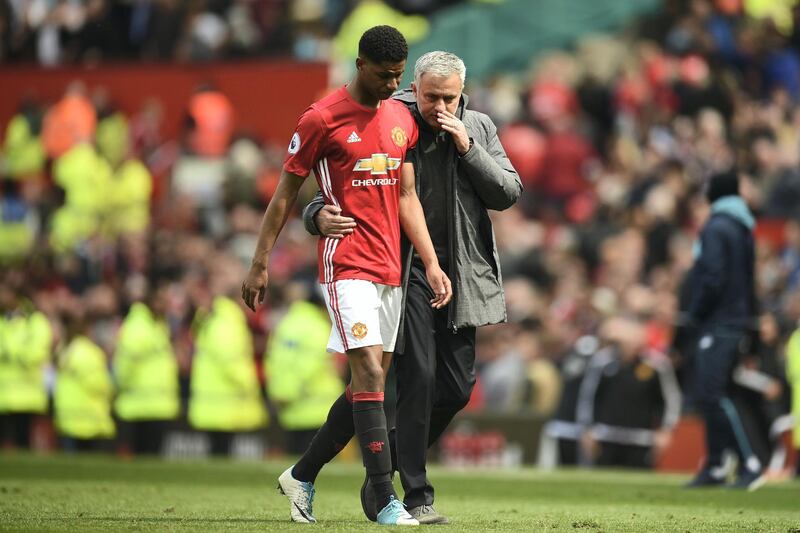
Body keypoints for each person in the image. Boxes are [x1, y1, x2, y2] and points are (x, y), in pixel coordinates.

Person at [241, 26, 451, 527]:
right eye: (384, 75)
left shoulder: (401, 116)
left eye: (399, 75)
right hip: (346, 262)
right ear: (360, 65)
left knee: (368, 382)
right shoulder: (322, 118)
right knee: (371, 373)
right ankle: (383, 498)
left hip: (390, 267)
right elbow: (286, 192)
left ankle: (302, 474)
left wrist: (432, 261)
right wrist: (260, 260)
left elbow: (405, 196)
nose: (391, 84)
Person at [303, 50, 521, 523]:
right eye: (430, 96)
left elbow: (507, 192)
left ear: (464, 92)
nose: (439, 106)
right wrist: (315, 215)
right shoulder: (389, 119)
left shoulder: (479, 126)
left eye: (450, 97)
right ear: (413, 90)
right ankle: (415, 495)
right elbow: (343, 182)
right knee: (417, 378)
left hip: (462, 270)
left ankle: (381, 465)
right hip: (401, 267)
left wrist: (468, 147)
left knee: (458, 388)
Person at [685, 171, 764, 490]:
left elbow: (712, 278)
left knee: (711, 393)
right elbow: (748, 282)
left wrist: (696, 313)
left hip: (719, 322)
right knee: (715, 394)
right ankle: (717, 465)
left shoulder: (716, 227)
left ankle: (749, 462)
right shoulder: (743, 228)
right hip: (736, 319)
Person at [113, 288, 180, 456]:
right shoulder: (138, 326)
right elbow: (126, 363)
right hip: (138, 404)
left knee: (151, 456)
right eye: (161, 302)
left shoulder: (157, 325)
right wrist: (122, 386)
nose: (165, 306)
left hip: (155, 404)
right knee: (142, 455)